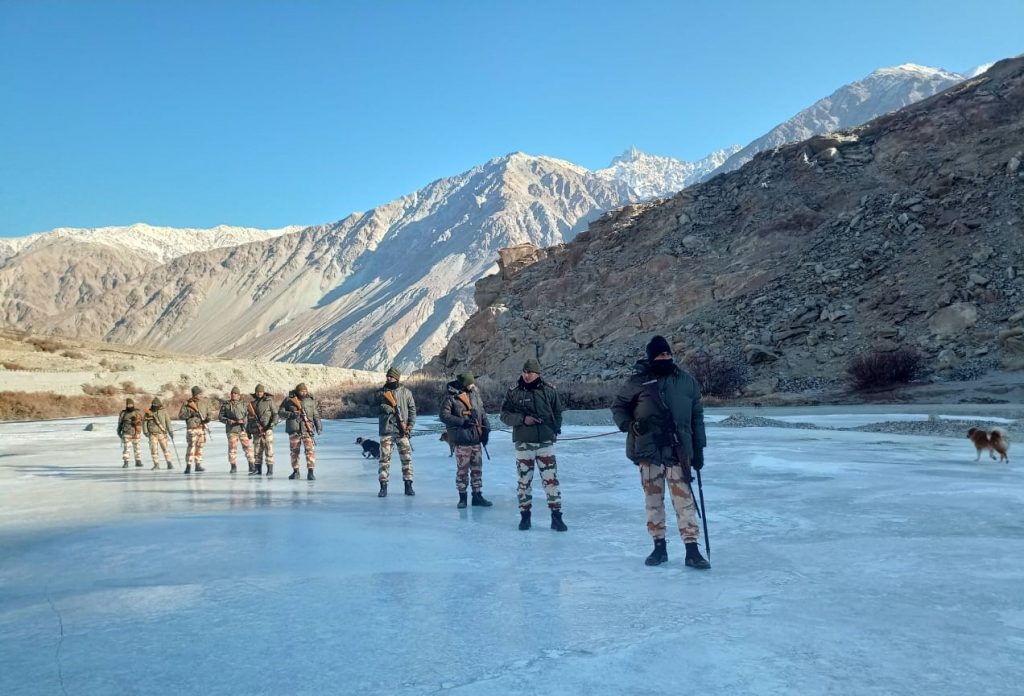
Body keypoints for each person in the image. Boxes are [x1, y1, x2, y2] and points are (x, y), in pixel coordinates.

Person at [611, 335, 710, 569]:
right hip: (648, 450)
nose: (664, 358)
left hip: (679, 450)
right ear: (651, 357)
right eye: (659, 355)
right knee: (653, 501)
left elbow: (697, 417)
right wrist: (630, 426)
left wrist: (699, 449)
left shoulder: (687, 381)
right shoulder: (638, 381)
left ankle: (692, 550)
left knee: (684, 501)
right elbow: (618, 407)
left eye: (667, 354)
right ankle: (659, 547)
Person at [500, 359, 566, 532]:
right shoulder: (513, 392)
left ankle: (556, 517)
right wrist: (523, 419)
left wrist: (554, 430)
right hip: (524, 443)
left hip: (545, 442)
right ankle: (525, 517)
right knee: (524, 481)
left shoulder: (549, 391)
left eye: (530, 372)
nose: (526, 375)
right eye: (524, 371)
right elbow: (504, 415)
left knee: (551, 481)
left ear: (538, 373)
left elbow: (558, 412)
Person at [439, 372, 493, 509]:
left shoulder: (475, 394)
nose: (473, 385)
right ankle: (462, 498)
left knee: (477, 470)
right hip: (462, 440)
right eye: (470, 383)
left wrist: (486, 430)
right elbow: (444, 416)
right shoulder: (450, 398)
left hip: (476, 439)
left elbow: (482, 412)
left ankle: (477, 496)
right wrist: (462, 422)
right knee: (462, 471)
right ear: (464, 384)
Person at [376, 366, 416, 497]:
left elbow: (412, 411)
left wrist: (409, 427)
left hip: (402, 432)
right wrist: (384, 407)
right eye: (387, 376)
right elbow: (374, 405)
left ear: (396, 378)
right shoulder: (381, 393)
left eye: (391, 377)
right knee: (384, 460)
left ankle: (408, 485)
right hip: (386, 431)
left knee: (407, 459)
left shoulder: (406, 393)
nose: (388, 378)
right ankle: (383, 487)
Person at [278, 383, 321, 480]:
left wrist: (319, 426)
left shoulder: (310, 400)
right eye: (302, 391)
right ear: (297, 391)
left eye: (305, 390)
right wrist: (293, 414)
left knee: (310, 451)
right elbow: (280, 412)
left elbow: (316, 415)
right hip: (294, 430)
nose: (304, 392)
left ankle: (311, 472)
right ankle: (295, 472)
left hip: (307, 429)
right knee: (294, 452)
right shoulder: (288, 400)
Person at [219, 386, 256, 474]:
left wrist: (243, 421)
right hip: (231, 430)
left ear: (239, 395)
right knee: (232, 449)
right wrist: (228, 420)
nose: (233, 395)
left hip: (243, 429)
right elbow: (220, 417)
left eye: (235, 393)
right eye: (232, 393)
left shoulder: (244, 404)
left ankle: (251, 465)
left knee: (248, 448)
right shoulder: (226, 404)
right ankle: (233, 466)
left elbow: (250, 415)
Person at [178, 386, 212, 474]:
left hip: (201, 428)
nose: (201, 395)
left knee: (200, 447)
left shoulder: (204, 403)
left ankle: (198, 465)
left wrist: (208, 419)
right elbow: (181, 416)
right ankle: (188, 466)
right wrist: (190, 413)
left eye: (201, 394)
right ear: (195, 394)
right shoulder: (187, 403)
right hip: (192, 429)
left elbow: (208, 413)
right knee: (191, 447)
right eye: (199, 394)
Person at [247, 384, 278, 477]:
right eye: (257, 392)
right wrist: (248, 431)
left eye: (260, 391)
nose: (259, 393)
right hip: (257, 430)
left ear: (263, 392)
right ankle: (257, 470)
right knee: (257, 450)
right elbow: (249, 419)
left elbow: (275, 414)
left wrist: (271, 425)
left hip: (267, 429)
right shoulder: (253, 404)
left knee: (269, 449)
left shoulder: (269, 401)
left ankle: (270, 470)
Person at [143, 397, 174, 470]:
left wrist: (170, 431)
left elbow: (168, 422)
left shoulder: (163, 411)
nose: (155, 405)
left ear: (159, 404)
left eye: (156, 404)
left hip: (162, 434)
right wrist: (145, 431)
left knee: (165, 449)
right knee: (153, 450)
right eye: (153, 404)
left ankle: (169, 463)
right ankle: (156, 464)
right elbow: (144, 422)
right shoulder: (148, 412)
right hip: (152, 434)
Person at [117, 397, 143, 468]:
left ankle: (138, 461)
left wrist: (137, 422)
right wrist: (119, 431)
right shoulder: (123, 413)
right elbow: (120, 423)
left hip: (136, 432)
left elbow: (142, 421)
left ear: (133, 404)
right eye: (128, 405)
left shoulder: (137, 412)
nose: (130, 406)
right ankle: (126, 462)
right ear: (126, 405)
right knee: (126, 448)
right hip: (126, 433)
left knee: (137, 448)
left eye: (131, 404)